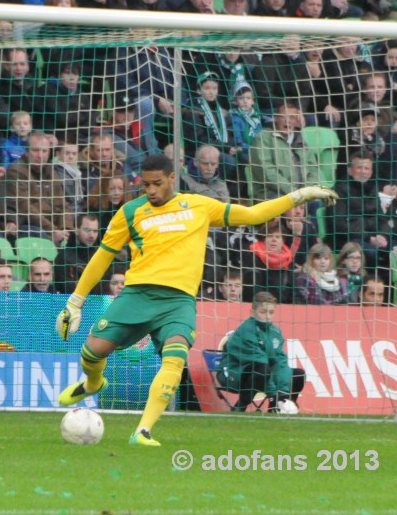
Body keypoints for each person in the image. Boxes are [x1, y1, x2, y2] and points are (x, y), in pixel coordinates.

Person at [55, 153, 336, 446]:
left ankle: (143, 431)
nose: (151, 190)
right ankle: (93, 382)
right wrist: (75, 303)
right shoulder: (130, 212)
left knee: (174, 359)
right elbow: (103, 257)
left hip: (178, 302)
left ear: (172, 180)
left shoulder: (199, 206)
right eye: (146, 185)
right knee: (92, 351)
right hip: (138, 294)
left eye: (157, 183)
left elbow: (254, 215)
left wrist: (299, 196)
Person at [216, 291, 306, 413]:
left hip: (261, 373)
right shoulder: (246, 330)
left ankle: (279, 407)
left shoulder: (275, 332)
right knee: (261, 369)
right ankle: (239, 407)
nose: (268, 316)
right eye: (263, 312)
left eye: (271, 312)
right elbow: (260, 362)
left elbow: (280, 362)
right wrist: (274, 393)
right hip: (234, 372)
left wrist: (283, 392)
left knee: (298, 374)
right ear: (253, 312)